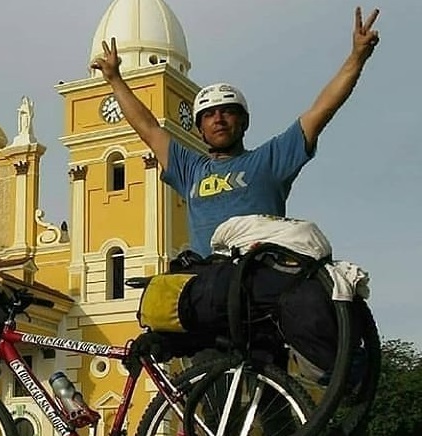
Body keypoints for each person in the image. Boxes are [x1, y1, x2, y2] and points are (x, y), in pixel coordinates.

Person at [91, 7, 380, 257]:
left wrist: (357, 57)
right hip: (210, 285)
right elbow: (148, 128)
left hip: (261, 275)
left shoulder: (270, 160)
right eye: (208, 115)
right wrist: (115, 79)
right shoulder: (189, 169)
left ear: (243, 122)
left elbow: (321, 111)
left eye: (227, 112)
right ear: (199, 129)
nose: (218, 119)